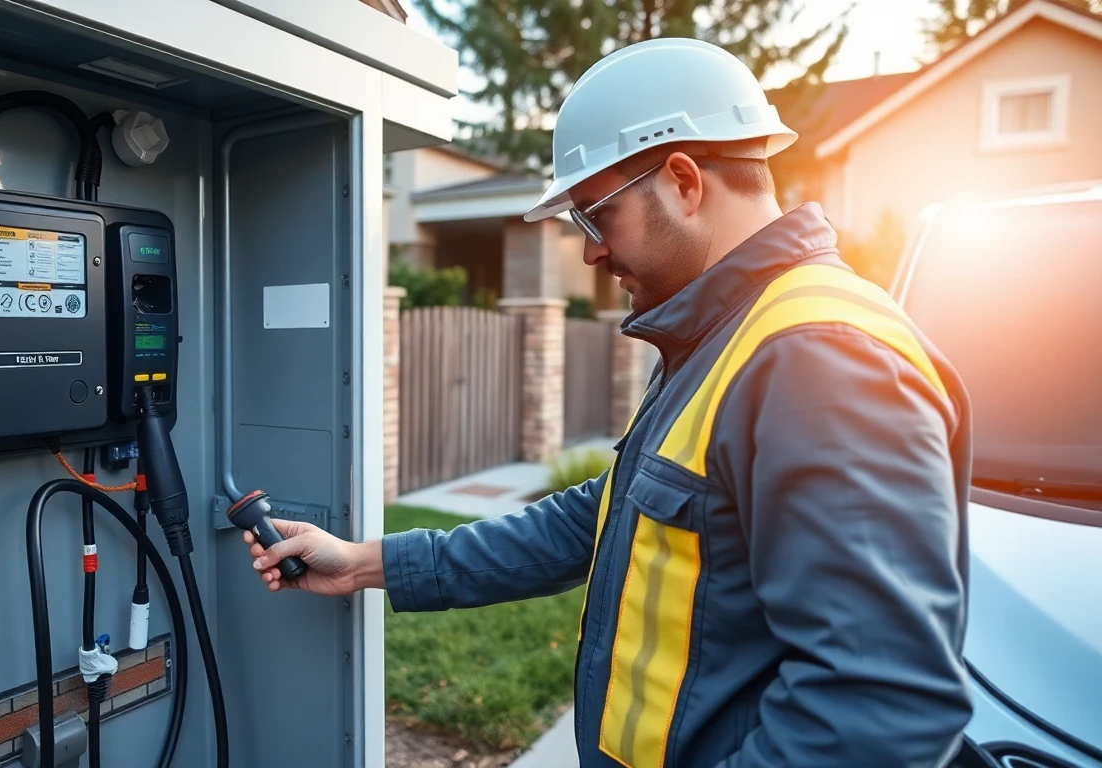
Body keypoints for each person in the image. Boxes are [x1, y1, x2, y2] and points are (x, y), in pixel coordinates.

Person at [243, 37, 975, 768]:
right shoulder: (726, 336)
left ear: (685, 181)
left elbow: (876, 712)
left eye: (596, 216)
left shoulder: (820, 358)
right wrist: (365, 562)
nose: (590, 252)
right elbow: (598, 519)